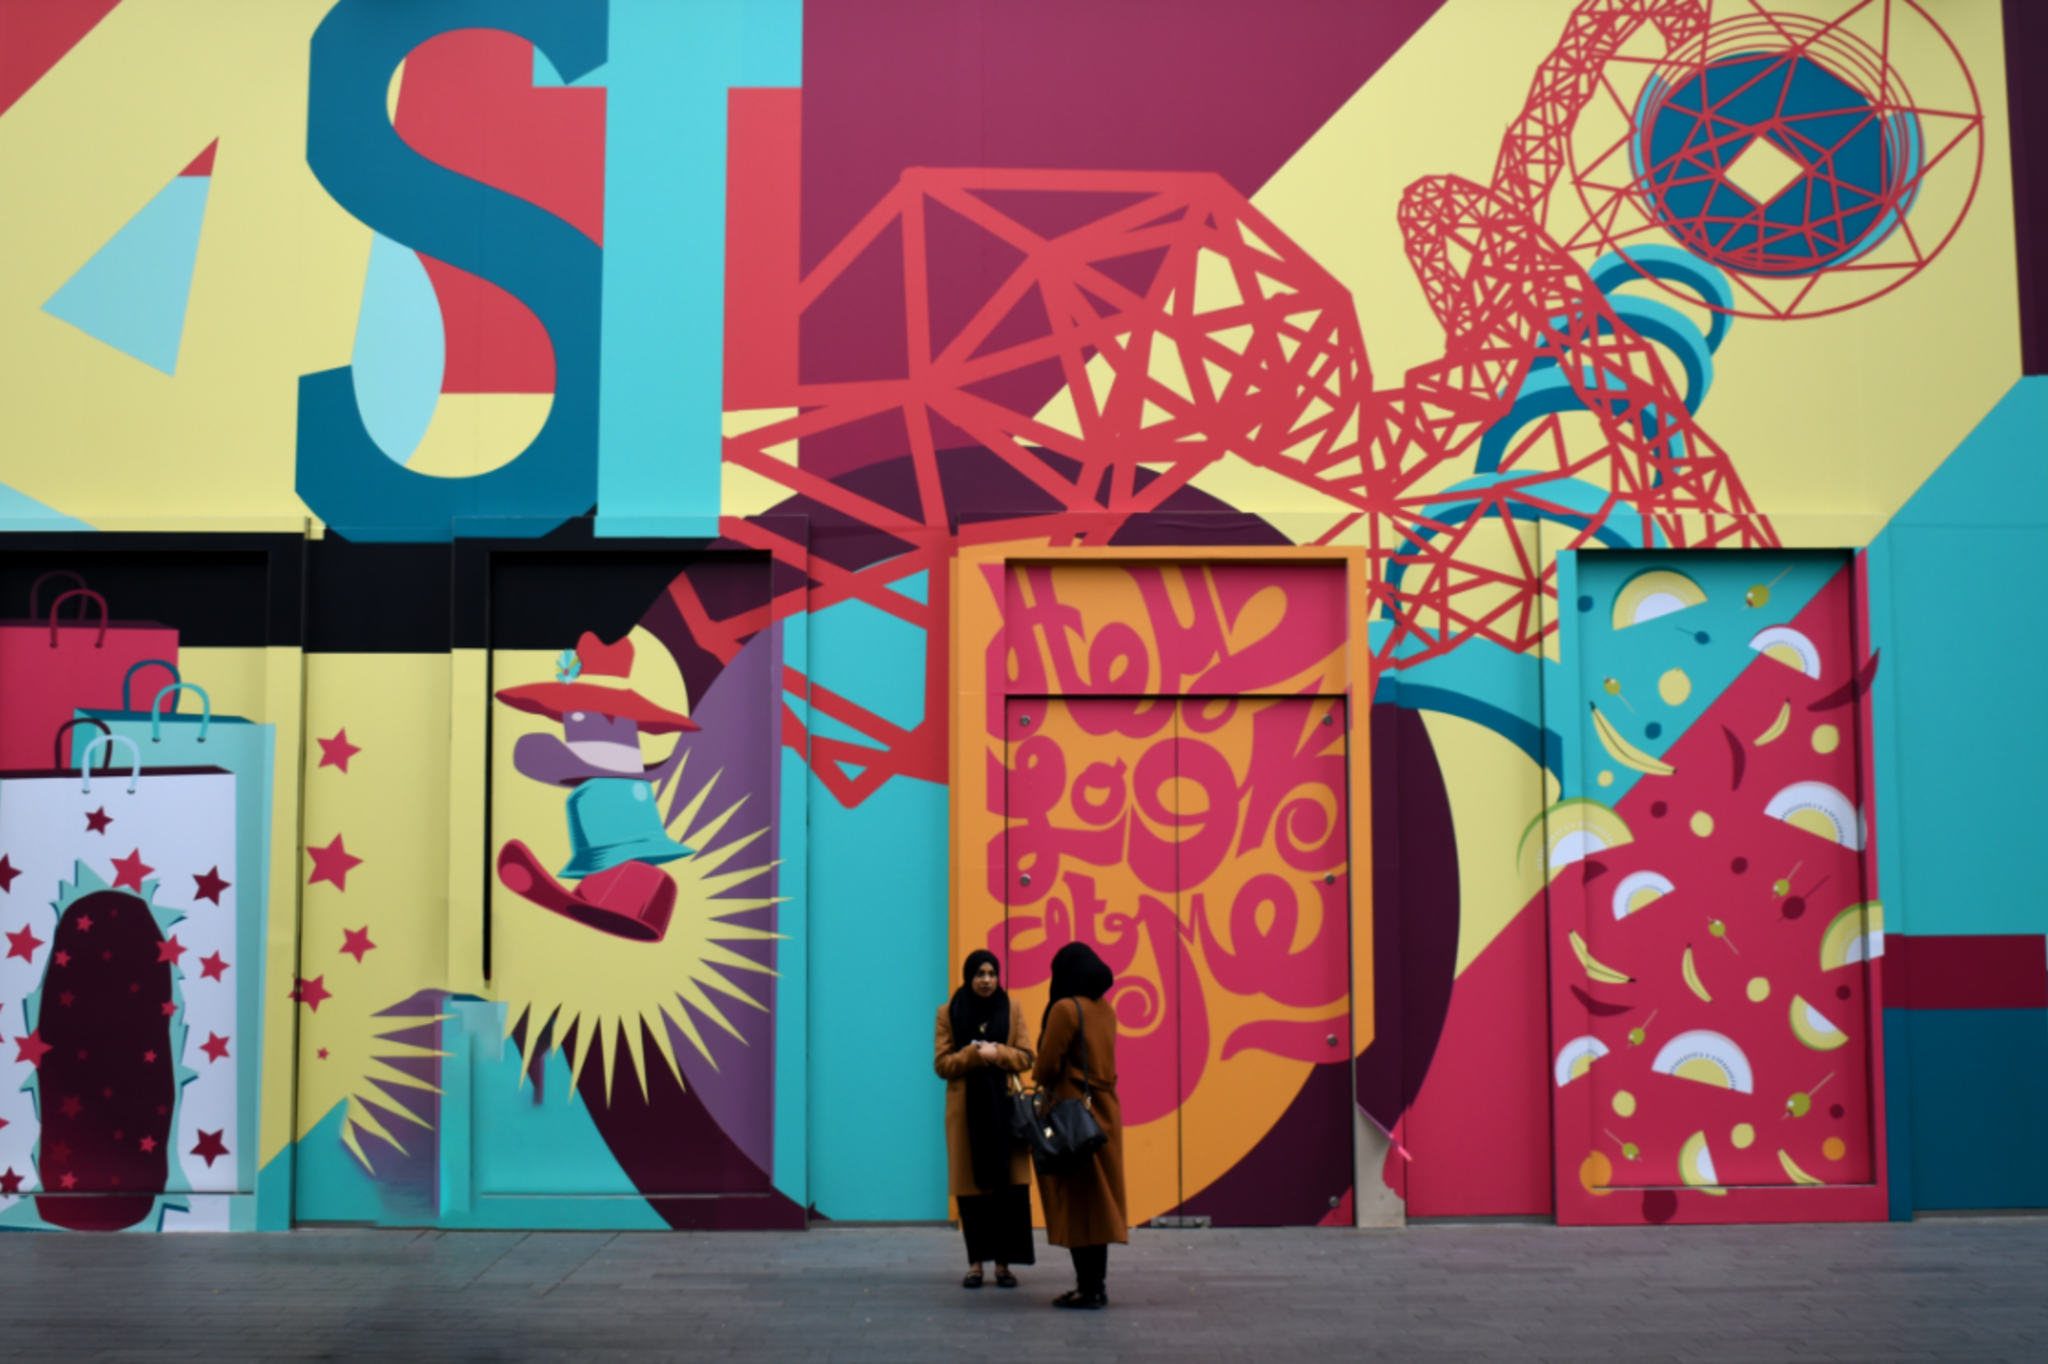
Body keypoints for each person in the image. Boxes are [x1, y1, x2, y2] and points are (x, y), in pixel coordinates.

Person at [1031, 941, 1126, 1309]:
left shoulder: (1065, 1009)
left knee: (1075, 1201)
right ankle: (1094, 1285)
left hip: (1071, 1116)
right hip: (1104, 1113)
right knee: (1097, 1203)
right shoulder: (1106, 1010)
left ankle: (1087, 1289)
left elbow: (1045, 1067)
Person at [934, 948, 1036, 1288]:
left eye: (992, 973)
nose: (987, 980)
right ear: (969, 977)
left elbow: (1025, 1056)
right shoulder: (948, 1013)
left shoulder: (1013, 1008)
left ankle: (1004, 1266)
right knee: (973, 1194)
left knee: (1007, 1194)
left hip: (1005, 1114)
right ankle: (976, 1265)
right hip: (967, 1116)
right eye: (980, 974)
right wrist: (974, 1056)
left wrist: (998, 1053)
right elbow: (942, 1065)